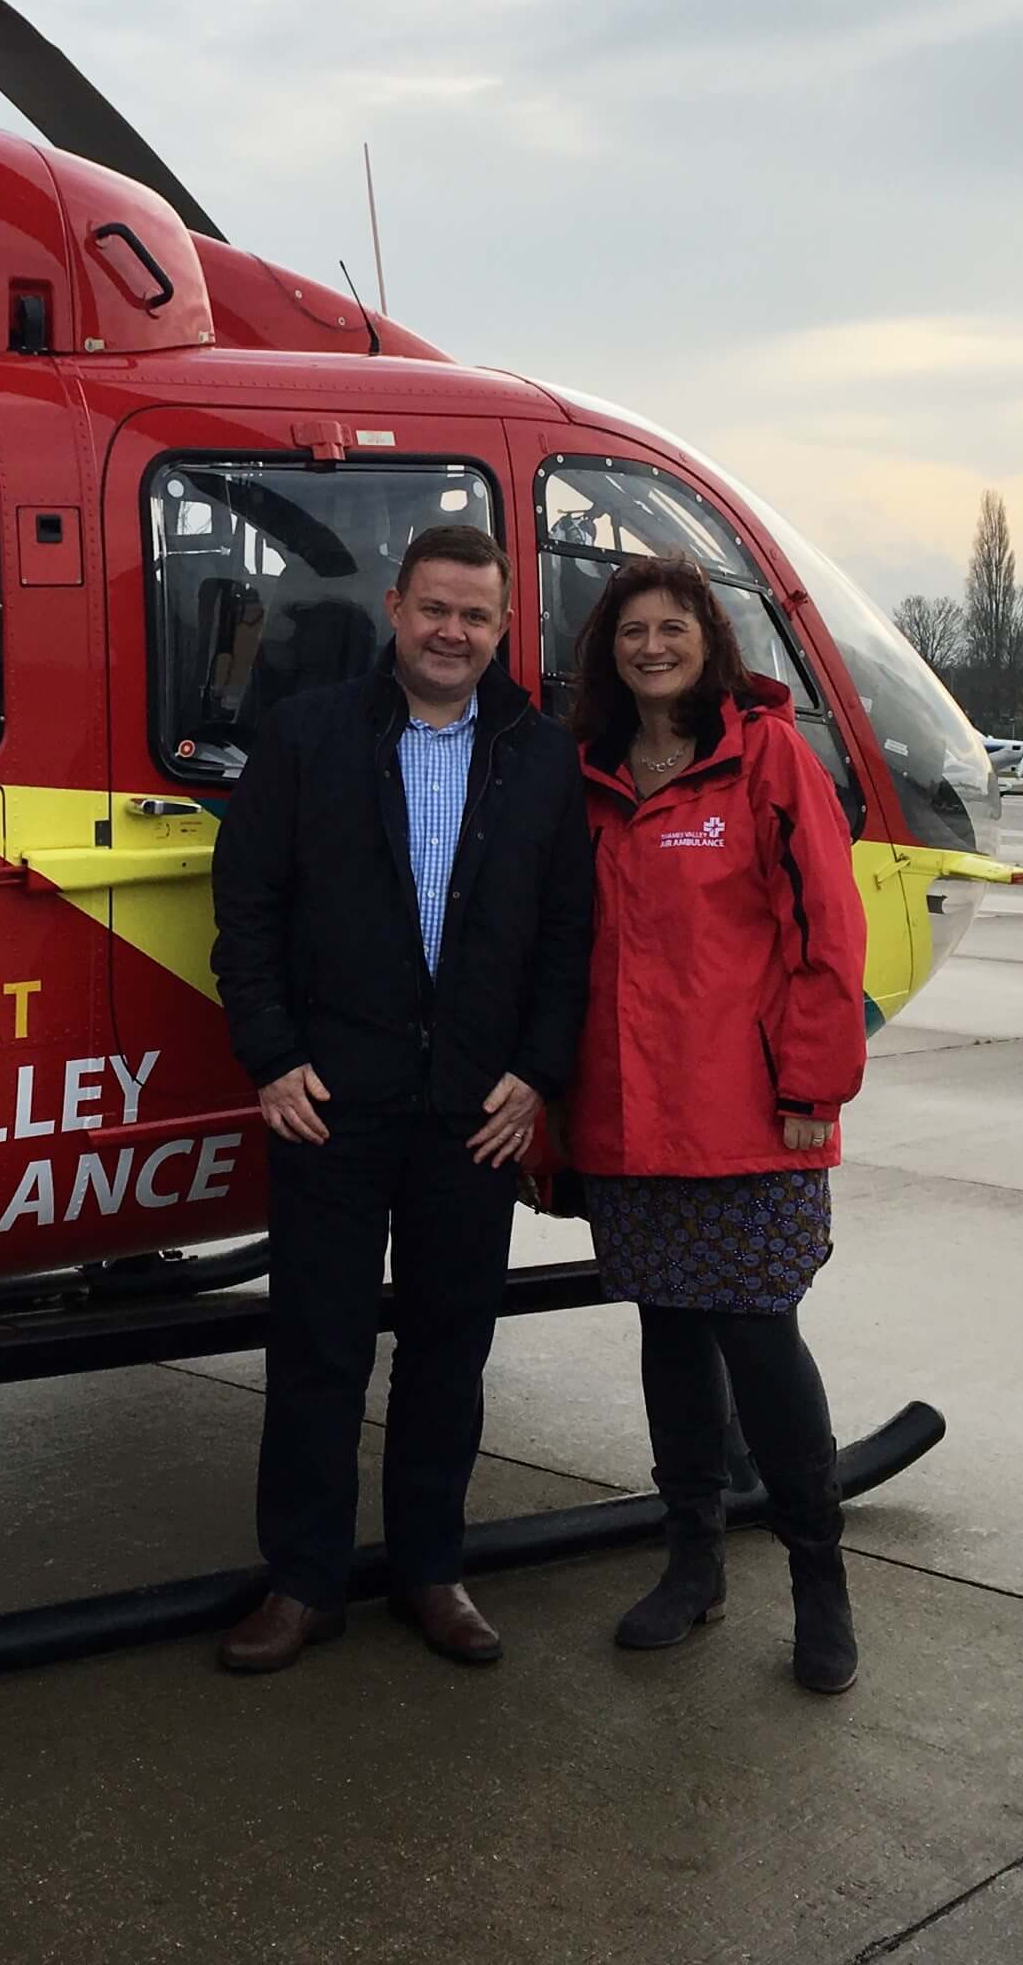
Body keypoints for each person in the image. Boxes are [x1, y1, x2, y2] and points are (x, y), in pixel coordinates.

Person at [211, 525, 594, 1673]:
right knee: (316, 1352)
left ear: (503, 626)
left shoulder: (541, 756)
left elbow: (569, 934)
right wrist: (272, 1057)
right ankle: (304, 1582)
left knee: (447, 1353)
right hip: (331, 1101)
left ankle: (433, 1569)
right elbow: (247, 908)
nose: (452, 632)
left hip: (475, 1112)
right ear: (395, 607)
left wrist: (538, 1072)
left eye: (475, 615)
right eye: (435, 608)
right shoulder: (308, 733)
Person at [564, 556, 868, 1693]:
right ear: (609, 650)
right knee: (670, 1340)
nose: (651, 646)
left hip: (748, 1117)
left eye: (672, 627)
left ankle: (819, 1577)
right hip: (629, 1117)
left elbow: (826, 931)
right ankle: (692, 1561)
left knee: (759, 1339)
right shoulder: (589, 771)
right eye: (631, 630)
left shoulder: (767, 756)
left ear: (710, 640)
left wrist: (809, 1088)